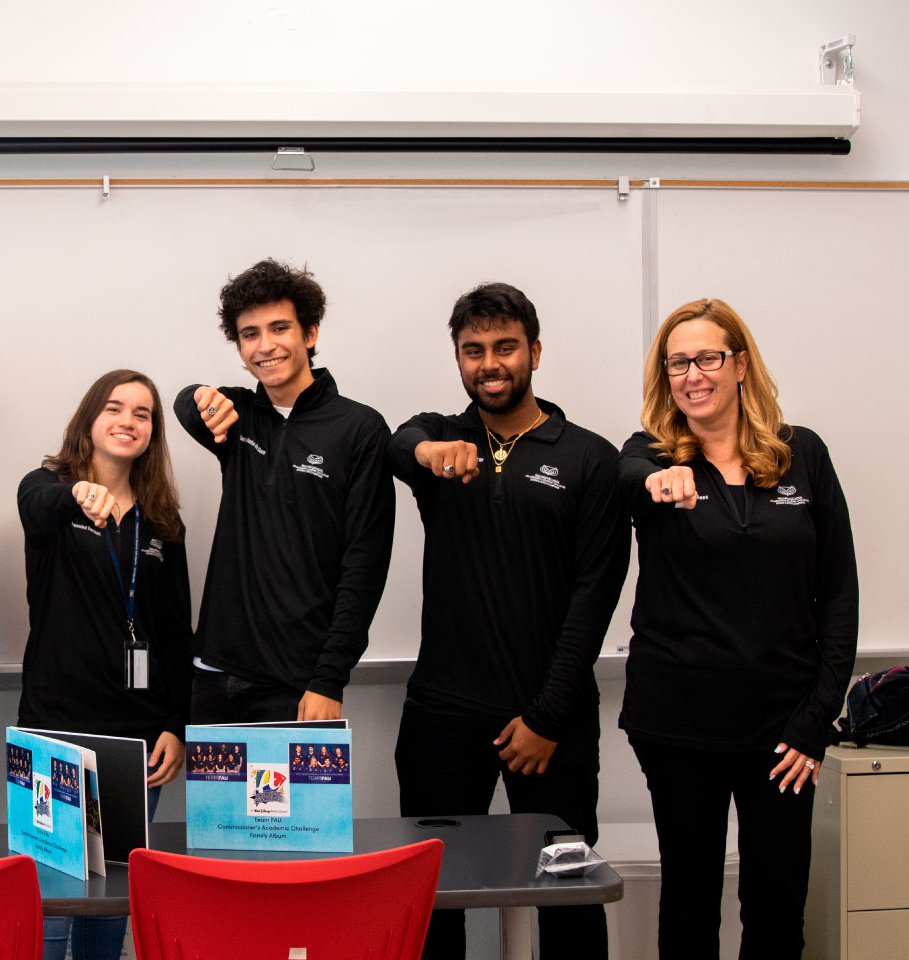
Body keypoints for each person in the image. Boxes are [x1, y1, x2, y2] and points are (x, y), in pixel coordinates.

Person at [388, 282, 629, 960]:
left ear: (535, 351)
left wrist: (548, 717)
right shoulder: (441, 437)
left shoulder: (588, 458)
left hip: (552, 719)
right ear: (458, 358)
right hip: (442, 715)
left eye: (504, 347)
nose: (488, 363)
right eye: (472, 351)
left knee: (569, 901)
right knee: (433, 898)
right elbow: (394, 443)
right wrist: (427, 453)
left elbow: (595, 595)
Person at [619, 298, 858, 958]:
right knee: (690, 907)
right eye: (677, 363)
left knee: (778, 910)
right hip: (679, 725)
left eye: (706, 358)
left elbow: (839, 593)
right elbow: (626, 476)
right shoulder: (652, 455)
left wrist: (817, 720)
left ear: (741, 365)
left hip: (783, 732)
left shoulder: (801, 454)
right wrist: (659, 477)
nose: (692, 374)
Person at [17, 369, 193, 960]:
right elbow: (37, 506)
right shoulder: (47, 490)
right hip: (56, 729)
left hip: (137, 740)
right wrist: (76, 493)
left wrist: (176, 723)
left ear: (152, 432)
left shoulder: (163, 520)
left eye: (142, 414)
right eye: (115, 408)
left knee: (110, 903)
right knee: (52, 901)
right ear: (90, 420)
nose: (128, 421)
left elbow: (174, 633)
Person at [175, 258, 394, 723]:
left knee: (289, 802)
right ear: (238, 346)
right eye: (250, 334)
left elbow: (365, 566)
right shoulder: (239, 417)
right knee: (216, 803)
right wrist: (198, 394)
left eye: (279, 328)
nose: (265, 346)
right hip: (213, 674)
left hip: (300, 686)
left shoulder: (360, 428)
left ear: (310, 334)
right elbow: (186, 404)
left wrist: (329, 679)